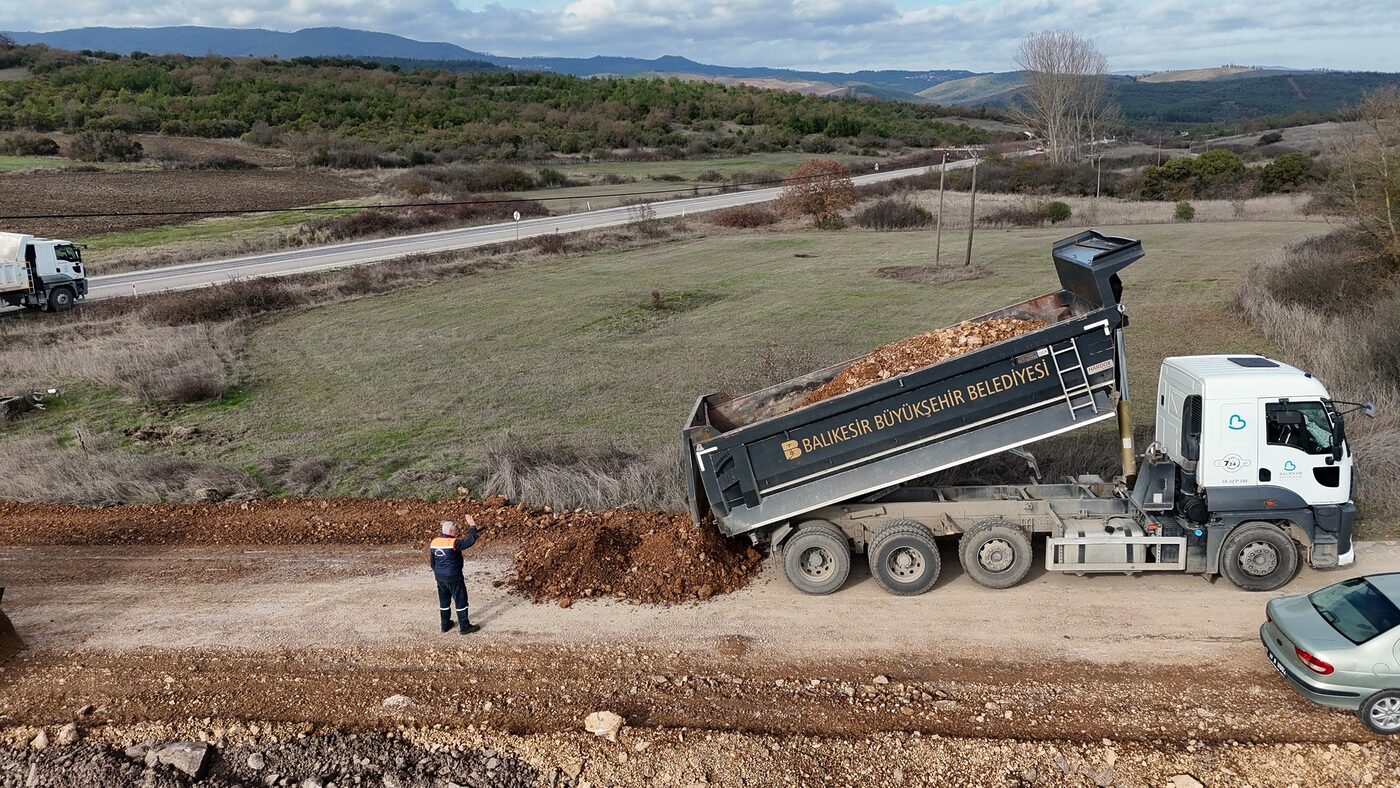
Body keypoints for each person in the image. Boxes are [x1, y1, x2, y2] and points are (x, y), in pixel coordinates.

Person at [430, 516, 480, 634]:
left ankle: (445, 625)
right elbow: (470, 541)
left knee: (444, 601)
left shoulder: (434, 542)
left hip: (440, 578)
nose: (457, 532)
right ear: (451, 531)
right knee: (461, 600)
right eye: (456, 530)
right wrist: (472, 527)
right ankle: (464, 627)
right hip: (454, 577)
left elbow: (432, 562)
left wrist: (438, 572)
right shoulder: (453, 542)